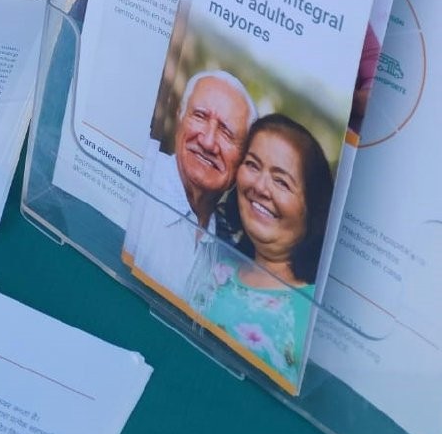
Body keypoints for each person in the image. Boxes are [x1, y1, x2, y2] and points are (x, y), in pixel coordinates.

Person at [197, 114, 332, 386]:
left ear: (313, 210)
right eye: (252, 165)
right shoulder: (216, 260)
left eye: (281, 182)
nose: (259, 187)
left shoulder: (313, 317)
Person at [126, 70, 256, 304]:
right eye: (200, 116)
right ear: (180, 117)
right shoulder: (136, 173)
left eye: (227, 133)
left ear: (244, 158)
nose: (208, 142)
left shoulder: (228, 253)